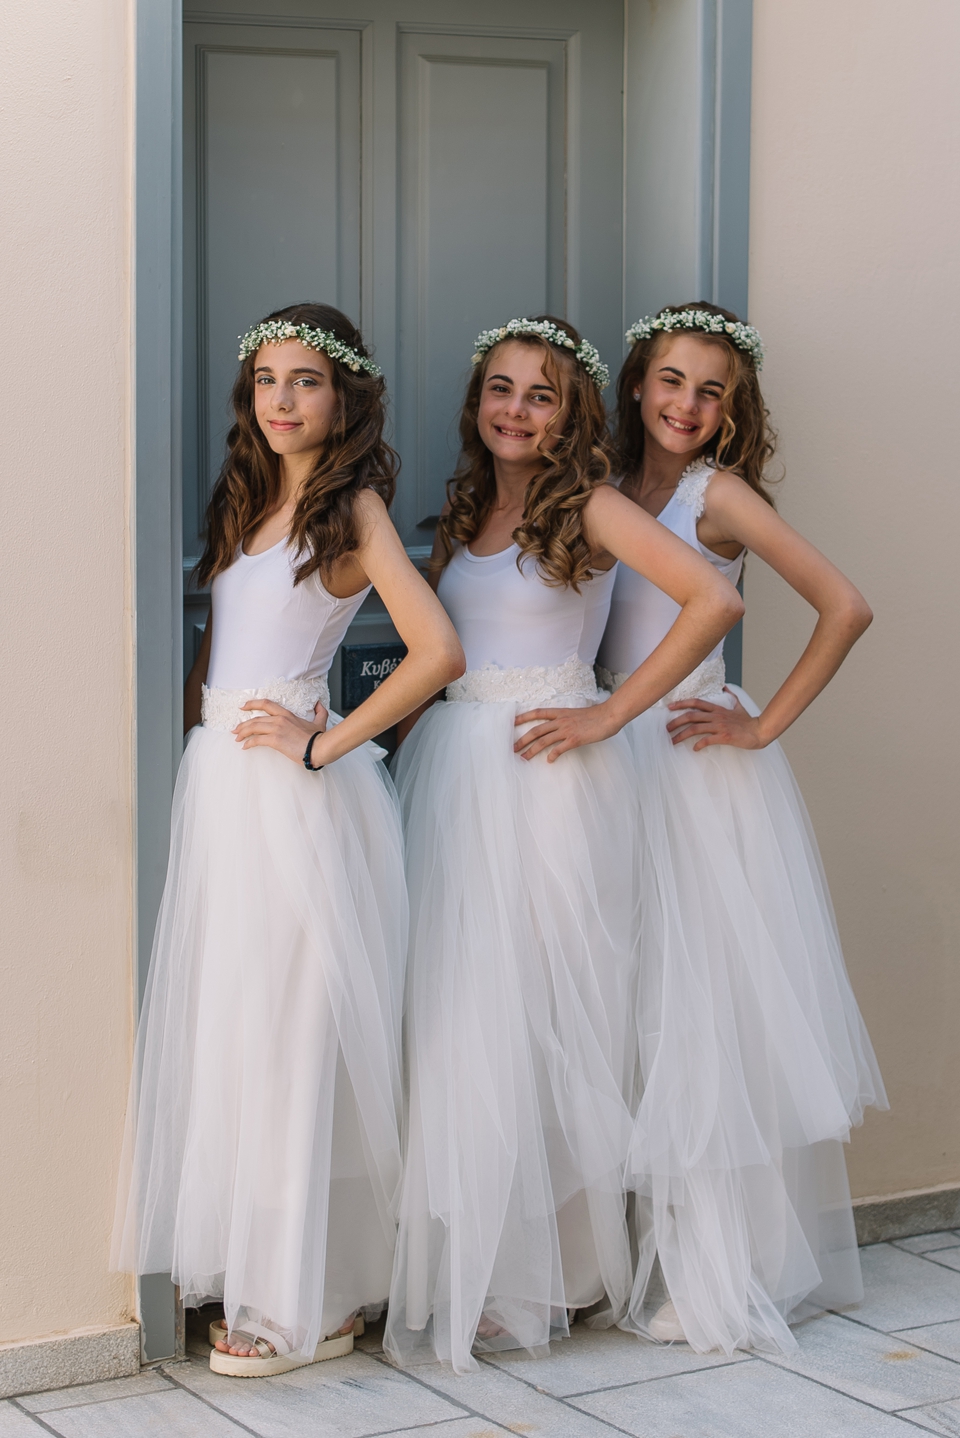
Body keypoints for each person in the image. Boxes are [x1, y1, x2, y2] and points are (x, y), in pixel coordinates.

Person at [383, 316, 742, 1373]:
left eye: (540, 395)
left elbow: (712, 598)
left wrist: (608, 714)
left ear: (573, 411)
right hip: (455, 775)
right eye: (501, 389)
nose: (516, 410)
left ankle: (551, 1275)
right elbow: (442, 652)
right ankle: (490, 1256)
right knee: (464, 1018)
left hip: (543, 786)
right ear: (476, 402)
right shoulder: (465, 510)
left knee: (543, 1020)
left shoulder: (588, 504)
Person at [113, 303, 464, 1378]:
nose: (282, 398)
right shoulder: (245, 497)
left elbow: (437, 650)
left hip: (297, 803)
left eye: (306, 380)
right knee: (239, 1035)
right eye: (267, 378)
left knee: (297, 1041)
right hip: (221, 793)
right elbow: (213, 654)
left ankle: (304, 1301)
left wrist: (324, 743)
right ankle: (277, 1272)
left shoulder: (351, 509)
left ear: (344, 397)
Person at [597, 302, 887, 1355]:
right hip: (611, 761)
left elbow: (844, 606)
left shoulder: (717, 497)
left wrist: (760, 725)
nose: (686, 404)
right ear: (638, 381)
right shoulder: (603, 483)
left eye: (710, 391)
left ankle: (721, 1266)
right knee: (632, 1013)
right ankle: (631, 1250)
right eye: (672, 380)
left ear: (731, 410)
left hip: (690, 773)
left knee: (702, 1022)